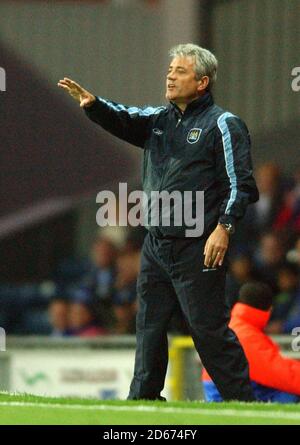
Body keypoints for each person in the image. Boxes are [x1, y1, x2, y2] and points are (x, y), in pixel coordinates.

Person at [58, 43, 259, 401]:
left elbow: (239, 183)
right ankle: (143, 399)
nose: (170, 76)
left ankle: (242, 401)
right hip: (156, 243)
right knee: (148, 327)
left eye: (180, 71)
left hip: (199, 243)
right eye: (170, 70)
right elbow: (123, 118)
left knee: (206, 330)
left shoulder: (223, 124)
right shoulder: (158, 120)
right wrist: (94, 105)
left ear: (202, 82)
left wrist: (224, 227)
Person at [202, 282, 300, 403]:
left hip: (221, 389)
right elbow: (282, 374)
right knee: (289, 395)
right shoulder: (248, 336)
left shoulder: (235, 326)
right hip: (227, 393)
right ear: (270, 309)